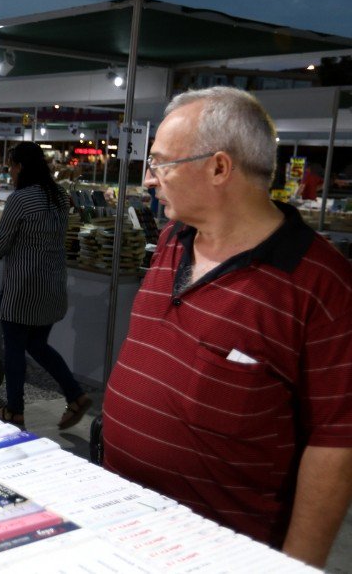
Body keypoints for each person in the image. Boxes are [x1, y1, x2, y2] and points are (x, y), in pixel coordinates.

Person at [103, 87, 352, 567]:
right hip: (120, 520)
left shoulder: (322, 286)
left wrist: (296, 566)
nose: (149, 180)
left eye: (160, 163)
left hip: (219, 550)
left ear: (219, 167)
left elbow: (335, 444)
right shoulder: (175, 238)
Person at [0, 142, 91, 429]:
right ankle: (75, 395)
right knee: (38, 344)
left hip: (23, 288)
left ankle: (14, 410)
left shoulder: (20, 199)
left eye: (12, 166)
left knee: (14, 348)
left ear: (21, 166)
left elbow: (0, 244)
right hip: (51, 287)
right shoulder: (60, 196)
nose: (10, 172)